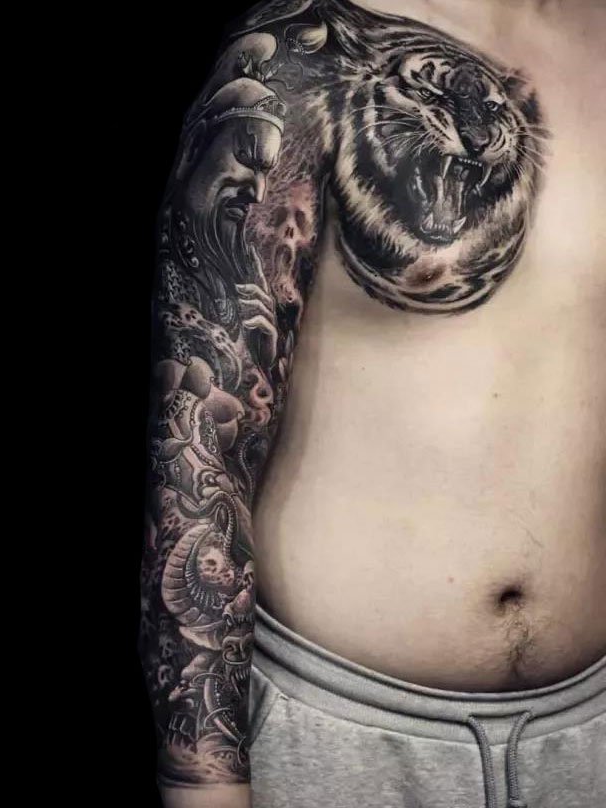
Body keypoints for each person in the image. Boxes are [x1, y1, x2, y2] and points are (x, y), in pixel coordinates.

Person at [138, 1, 606, 806]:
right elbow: (199, 457)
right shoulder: (297, 55)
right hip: (342, 735)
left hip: (590, 731)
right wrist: (203, 786)